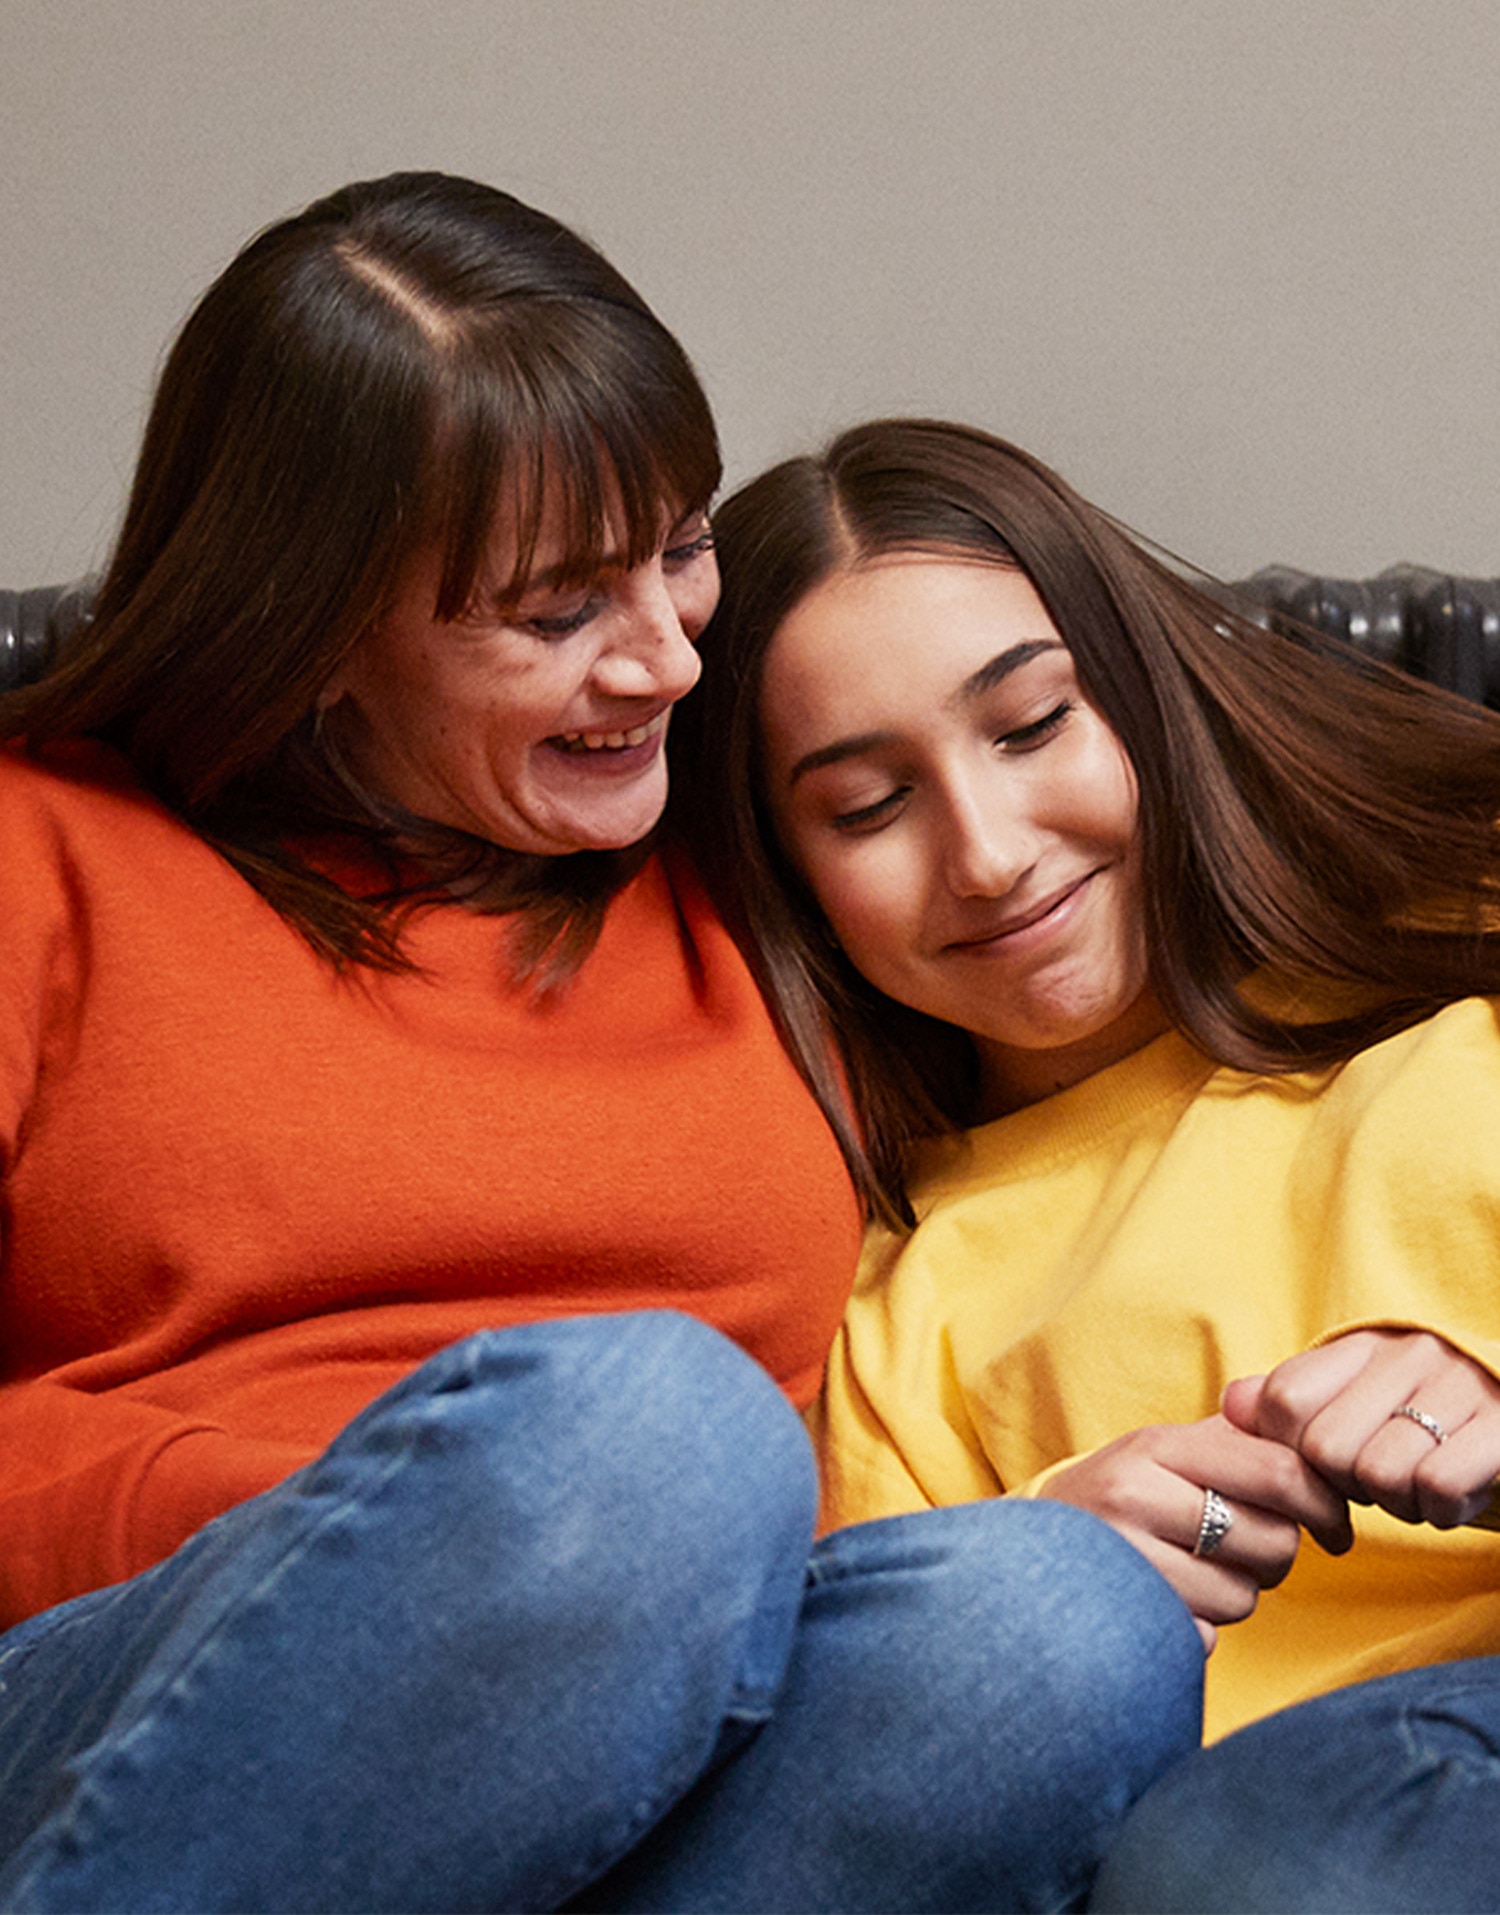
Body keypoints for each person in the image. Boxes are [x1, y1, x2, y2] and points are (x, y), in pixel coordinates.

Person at [0, 182, 1203, 1912]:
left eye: (682, 546)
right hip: (144, 1680)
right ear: (319, 626)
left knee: (1058, 1623)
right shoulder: (45, 853)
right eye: (557, 611)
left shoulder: (772, 843)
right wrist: (393, 1526)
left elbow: (1199, 941)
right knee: (653, 1440)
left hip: (688, 1676)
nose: (665, 653)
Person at [678, 415, 1500, 1911]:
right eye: (868, 806)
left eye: (1034, 724)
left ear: (1143, 694)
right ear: (790, 877)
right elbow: (898, 1801)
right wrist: (1047, 1578)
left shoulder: (1471, 936)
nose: (986, 852)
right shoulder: (890, 1306)